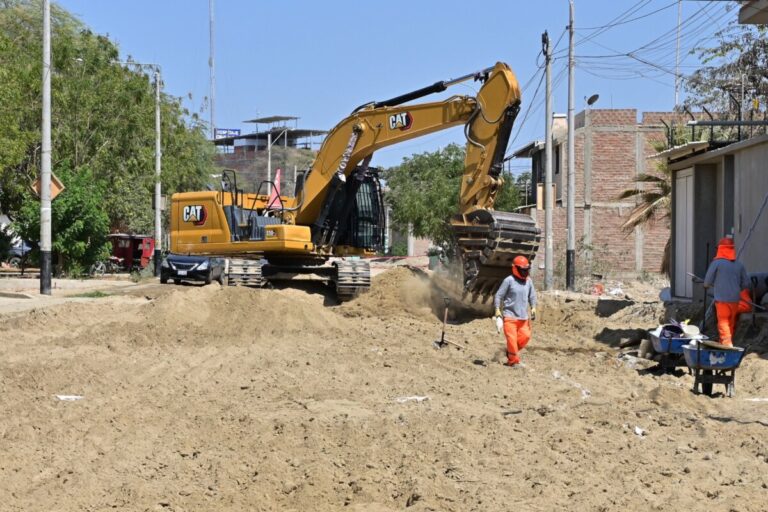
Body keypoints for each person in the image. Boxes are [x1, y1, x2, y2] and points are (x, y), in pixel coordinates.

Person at [703, 237, 750, 347]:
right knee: (731, 322)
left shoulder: (716, 263)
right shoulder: (739, 265)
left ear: (720, 249)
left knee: (723, 322)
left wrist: (707, 285)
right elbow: (746, 284)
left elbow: (707, 282)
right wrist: (736, 287)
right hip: (735, 299)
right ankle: (725, 342)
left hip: (721, 299)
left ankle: (726, 344)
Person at [494, 255, 537, 367]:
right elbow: (498, 296)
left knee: (525, 337)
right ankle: (513, 361)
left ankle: (511, 352)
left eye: (526, 270)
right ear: (515, 268)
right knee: (512, 340)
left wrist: (533, 307)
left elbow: (532, 296)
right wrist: (497, 310)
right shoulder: (509, 281)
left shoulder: (528, 281)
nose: (525, 272)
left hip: (523, 318)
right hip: (510, 317)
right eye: (523, 270)